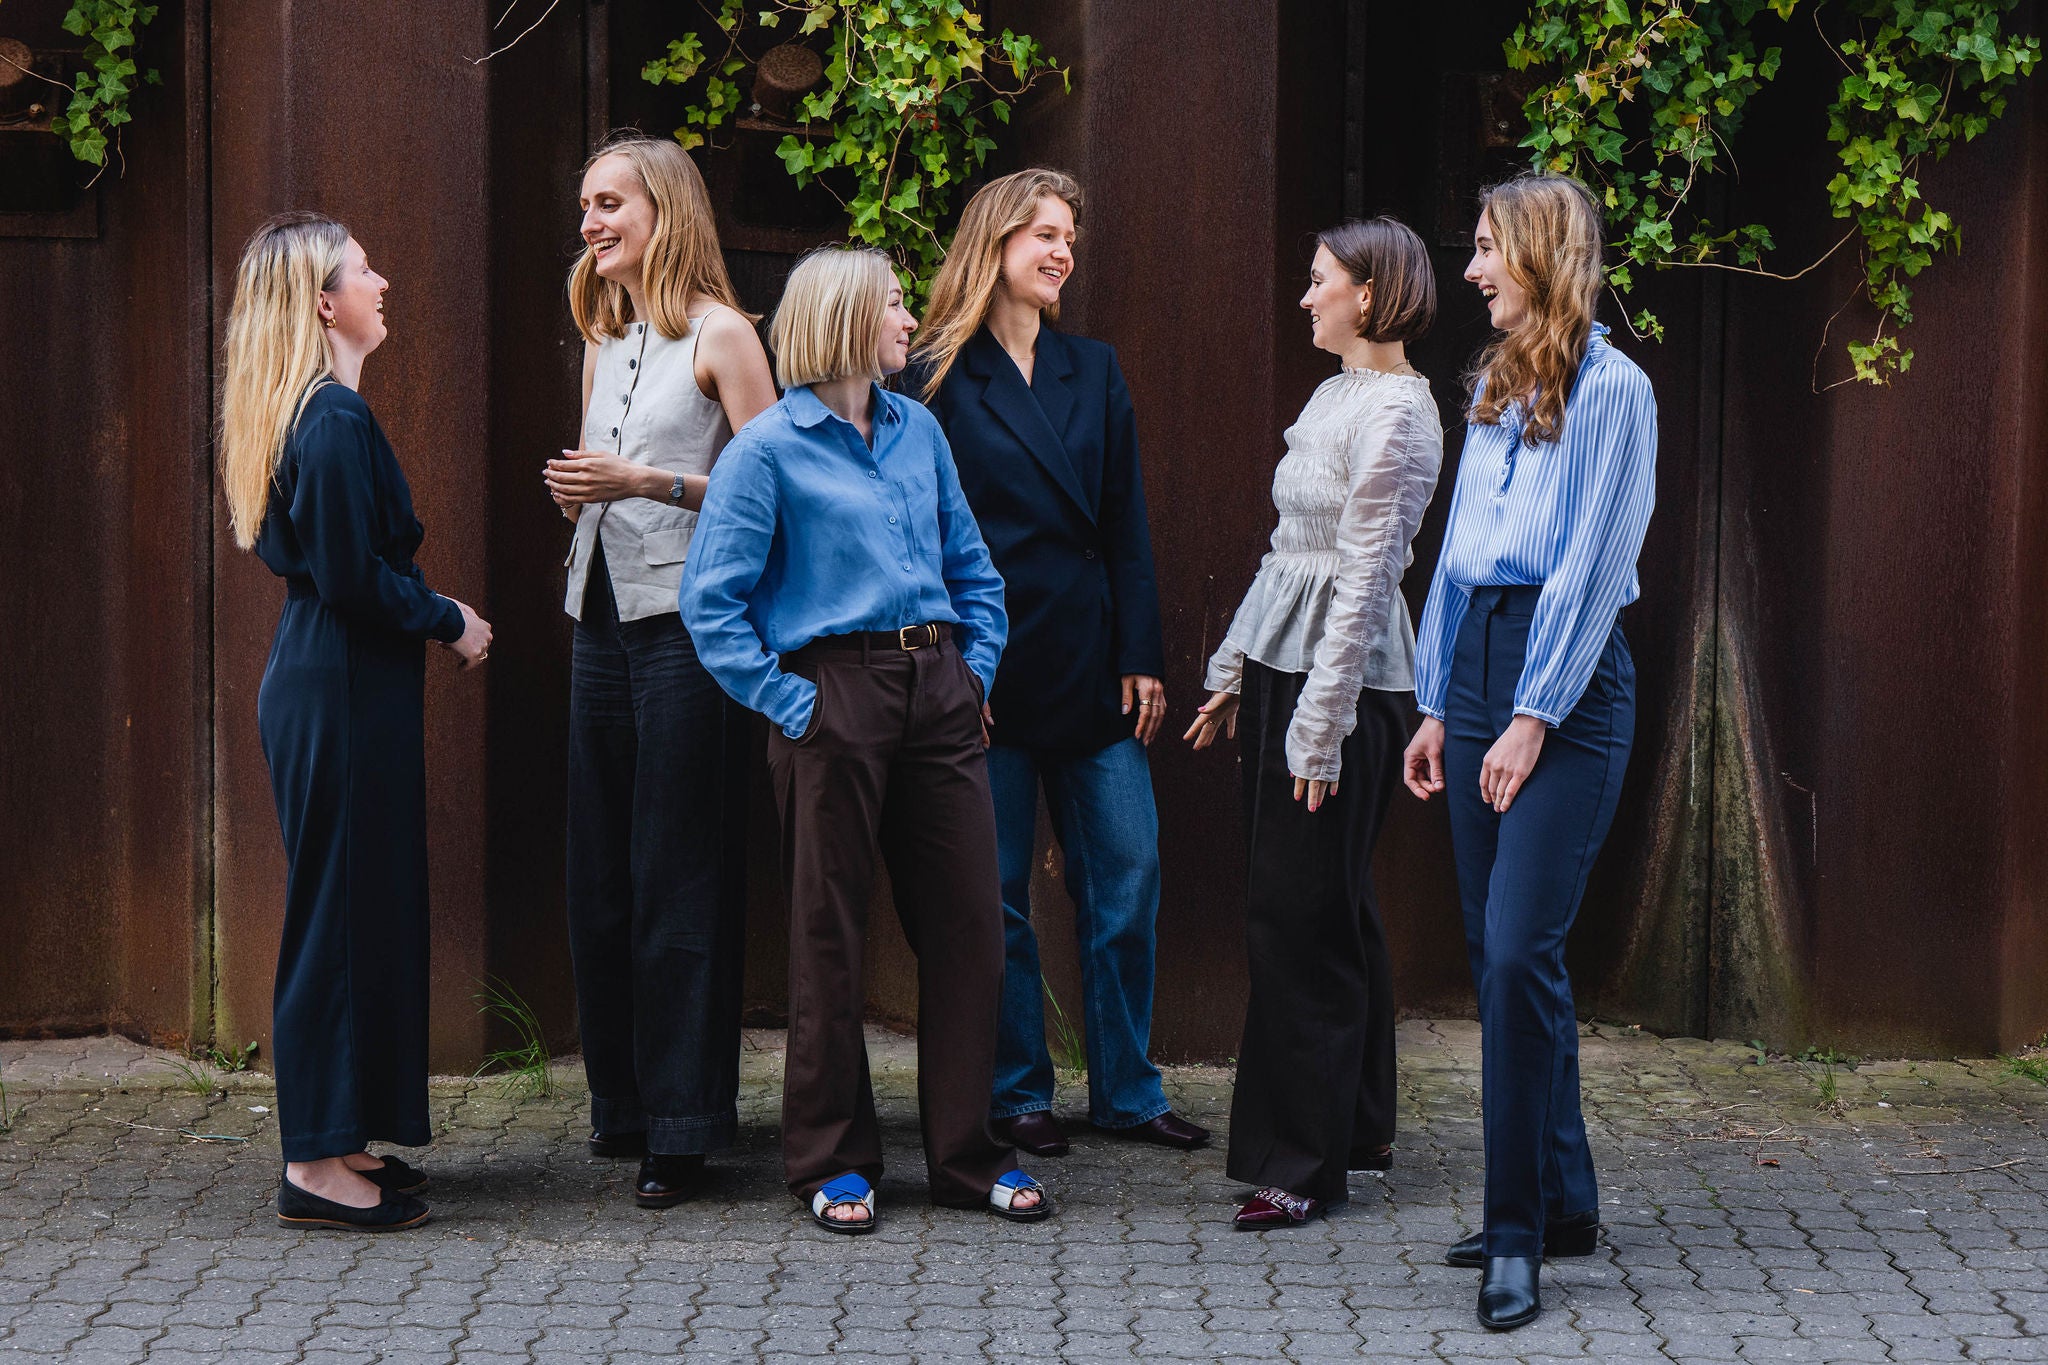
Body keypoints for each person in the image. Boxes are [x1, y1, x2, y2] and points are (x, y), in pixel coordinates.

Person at [680, 246, 1050, 1234]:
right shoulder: (766, 450)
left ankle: (968, 1158)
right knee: (827, 934)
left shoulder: (918, 429)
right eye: (893, 304)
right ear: (844, 318)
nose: (909, 320)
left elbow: (973, 569)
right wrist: (791, 704)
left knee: (972, 925)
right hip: (829, 694)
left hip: (938, 689)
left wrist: (973, 674)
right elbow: (711, 605)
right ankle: (832, 1159)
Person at [1402, 173, 1657, 1331]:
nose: (1469, 270)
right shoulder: (1494, 384)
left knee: (1515, 952)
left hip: (1567, 687)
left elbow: (1593, 568)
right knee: (1501, 957)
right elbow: (1459, 550)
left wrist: (1530, 713)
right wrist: (1434, 701)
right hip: (1475, 671)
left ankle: (1514, 1237)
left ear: (1541, 255)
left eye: (1485, 248)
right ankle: (1561, 1201)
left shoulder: (1614, 389)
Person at [910, 169, 1207, 1158]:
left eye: (1068, 236)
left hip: (1090, 662)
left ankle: (1127, 1088)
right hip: (987, 672)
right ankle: (1015, 1091)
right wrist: (955, 668)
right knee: (993, 893)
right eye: (1042, 233)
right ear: (993, 241)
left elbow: (1124, 520)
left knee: (1126, 876)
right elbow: (918, 537)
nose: (1061, 251)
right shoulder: (933, 376)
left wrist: (1141, 653)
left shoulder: (1094, 367)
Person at [220, 211, 493, 1232]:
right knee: (333, 918)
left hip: (337, 679)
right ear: (324, 303)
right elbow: (348, 577)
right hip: (337, 682)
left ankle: (339, 1139)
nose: (383, 283)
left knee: (354, 908)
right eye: (364, 270)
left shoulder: (314, 411)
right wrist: (449, 619)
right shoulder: (330, 419)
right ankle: (313, 1164)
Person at [1186, 218, 1443, 1228]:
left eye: (1318, 281)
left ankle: (1299, 1162)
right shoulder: (1333, 393)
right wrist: (1233, 668)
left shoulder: (1399, 412)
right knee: (1331, 904)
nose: (1304, 297)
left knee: (1297, 918)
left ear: (1368, 295)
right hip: (1285, 672)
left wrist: (1318, 727)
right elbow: (1287, 552)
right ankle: (1358, 1123)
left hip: (1340, 688)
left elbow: (1365, 579)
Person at [542, 133, 777, 1210]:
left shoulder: (724, 335)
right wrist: (582, 491)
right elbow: (602, 482)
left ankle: (683, 1127)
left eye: (610, 203)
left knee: (678, 870)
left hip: (690, 627)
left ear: (664, 210)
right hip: (596, 617)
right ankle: (624, 1104)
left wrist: (645, 482)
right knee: (599, 872)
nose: (591, 221)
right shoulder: (604, 336)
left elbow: (777, 491)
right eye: (587, 205)